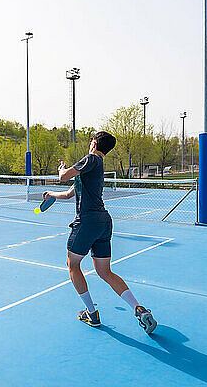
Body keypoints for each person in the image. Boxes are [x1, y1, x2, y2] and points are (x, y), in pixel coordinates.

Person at [44, 131, 157, 334]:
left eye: (90, 142)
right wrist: (51, 194)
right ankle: (138, 309)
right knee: (105, 272)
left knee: (73, 265)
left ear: (94, 143)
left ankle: (91, 313)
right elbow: (69, 193)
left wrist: (61, 169)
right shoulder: (92, 169)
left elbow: (63, 177)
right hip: (103, 222)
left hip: (87, 221)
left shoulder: (92, 159)